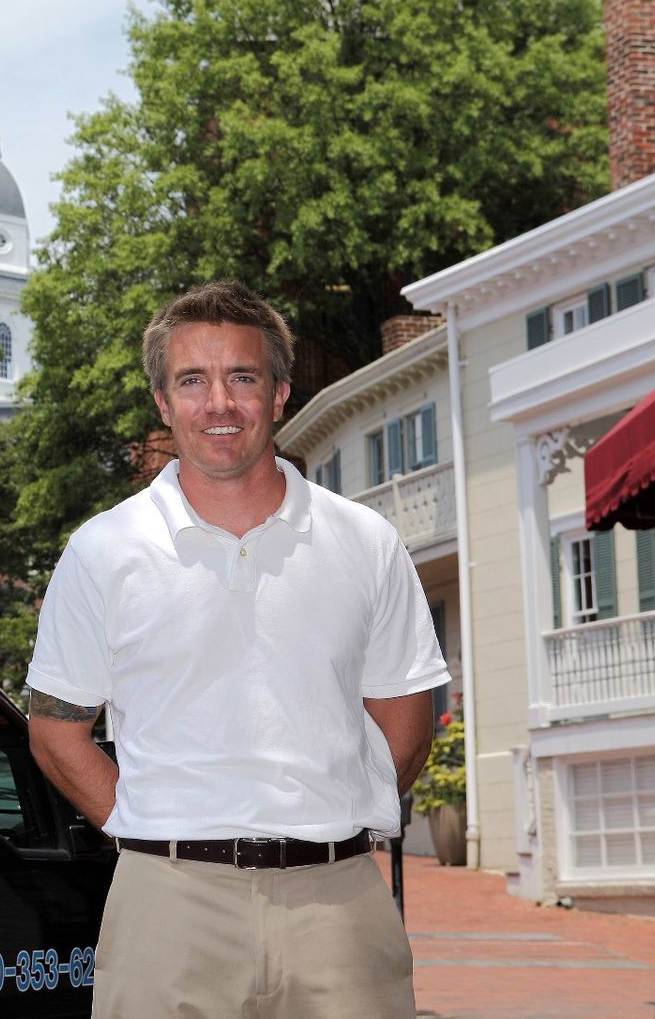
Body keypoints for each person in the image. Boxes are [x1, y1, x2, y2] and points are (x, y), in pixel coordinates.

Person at [26, 281, 448, 1018]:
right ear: (163, 402)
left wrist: (329, 811)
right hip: (169, 906)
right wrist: (151, 824)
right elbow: (56, 731)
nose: (218, 403)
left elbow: (406, 728)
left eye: (242, 377)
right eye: (192, 380)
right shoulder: (104, 550)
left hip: (339, 904)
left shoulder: (366, 543)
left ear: (280, 393)